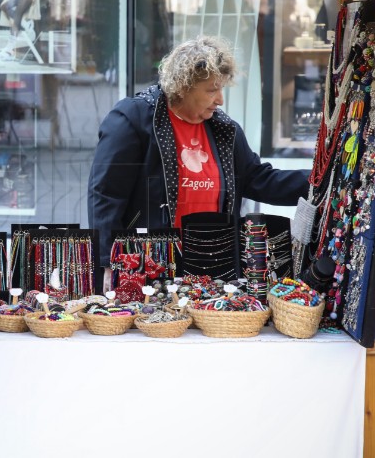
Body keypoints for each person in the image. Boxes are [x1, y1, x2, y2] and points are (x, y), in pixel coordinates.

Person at [88, 36, 309, 286]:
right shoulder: (132, 119)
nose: (220, 100)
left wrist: (317, 183)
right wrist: (108, 261)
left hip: (213, 266)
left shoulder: (224, 129)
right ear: (183, 86)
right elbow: (106, 195)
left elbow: (258, 179)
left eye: (221, 88)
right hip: (148, 265)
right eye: (212, 90)